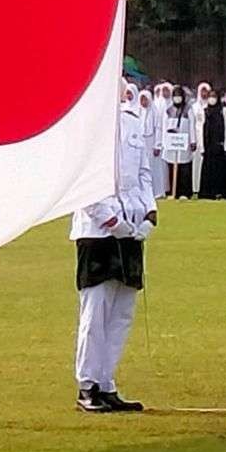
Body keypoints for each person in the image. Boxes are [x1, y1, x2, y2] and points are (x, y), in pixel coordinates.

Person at [70, 81, 157, 412]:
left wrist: (150, 214)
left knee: (122, 311)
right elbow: (86, 181)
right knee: (96, 310)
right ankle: (87, 385)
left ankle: (107, 382)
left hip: (132, 225)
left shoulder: (134, 121)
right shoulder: (90, 125)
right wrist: (110, 220)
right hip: (98, 230)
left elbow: (145, 173)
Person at [158, 85, 195, 199]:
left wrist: (193, 141)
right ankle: (173, 191)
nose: (177, 98)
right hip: (171, 143)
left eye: (179, 96)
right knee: (172, 168)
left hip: (184, 143)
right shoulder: (168, 110)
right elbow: (163, 126)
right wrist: (164, 142)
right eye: (175, 96)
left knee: (184, 168)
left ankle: (184, 192)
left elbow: (192, 126)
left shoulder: (188, 110)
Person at [198, 90, 226, 199]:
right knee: (207, 169)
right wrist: (201, 147)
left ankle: (218, 192)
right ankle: (206, 192)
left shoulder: (223, 111)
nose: (212, 98)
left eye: (214, 96)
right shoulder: (204, 111)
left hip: (219, 145)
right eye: (210, 96)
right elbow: (200, 129)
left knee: (218, 170)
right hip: (207, 145)